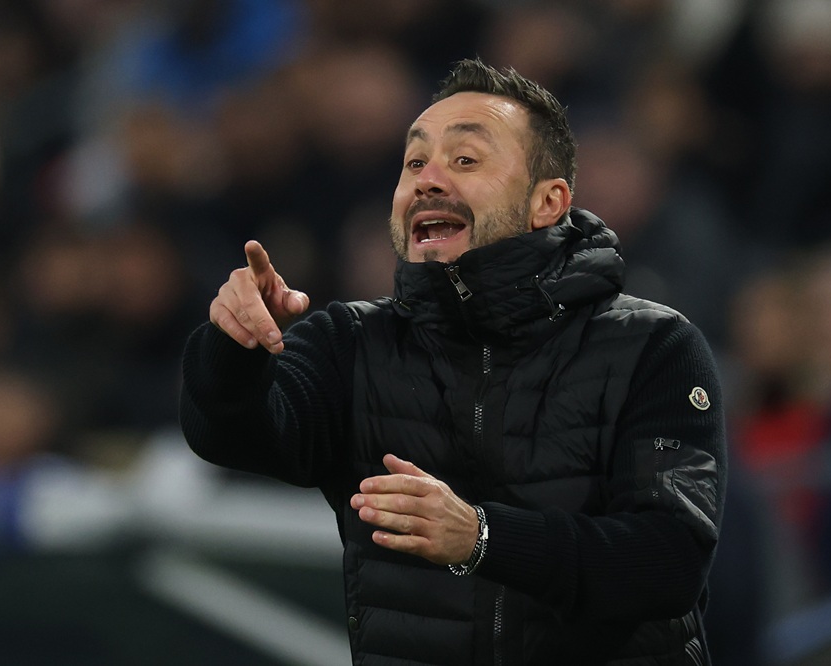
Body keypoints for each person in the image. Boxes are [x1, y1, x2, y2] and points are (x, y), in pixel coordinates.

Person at [179, 58, 727, 665]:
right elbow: (225, 435)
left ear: (548, 201)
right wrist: (233, 348)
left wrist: (484, 539)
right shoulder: (353, 343)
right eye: (414, 162)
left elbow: (668, 563)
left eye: (465, 160)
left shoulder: (654, 347)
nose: (427, 180)